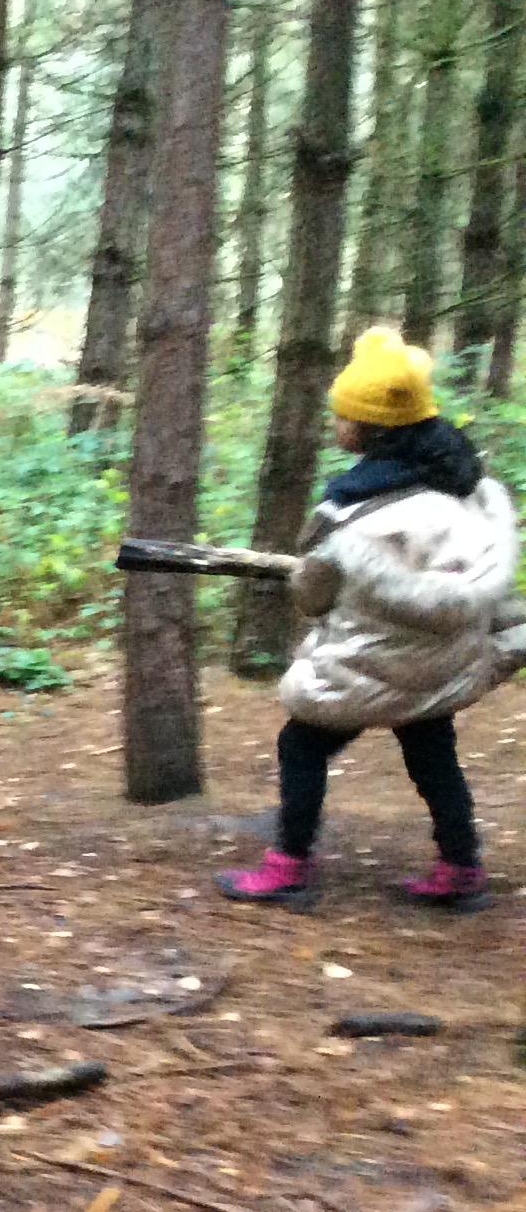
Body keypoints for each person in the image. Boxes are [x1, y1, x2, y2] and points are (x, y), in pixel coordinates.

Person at [218, 327, 519, 912]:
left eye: (343, 416)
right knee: (432, 752)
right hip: (436, 666)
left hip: (366, 663)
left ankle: (287, 867)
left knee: (301, 746)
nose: (336, 424)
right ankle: (461, 867)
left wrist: (305, 582)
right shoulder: (466, 490)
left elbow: (314, 594)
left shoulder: (352, 514)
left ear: (368, 430)